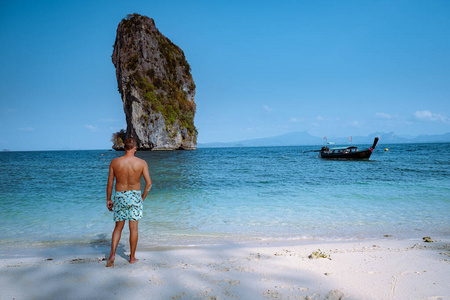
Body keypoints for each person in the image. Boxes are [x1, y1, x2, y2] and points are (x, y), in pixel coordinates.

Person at [106, 137, 152, 267]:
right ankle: (132, 258)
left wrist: (109, 199)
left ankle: (112, 254)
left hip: (120, 195)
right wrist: (142, 198)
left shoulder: (115, 162)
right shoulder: (142, 163)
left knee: (118, 227)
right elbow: (149, 184)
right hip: (135, 195)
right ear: (135, 148)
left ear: (124, 147)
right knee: (133, 228)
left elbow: (110, 183)